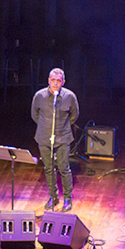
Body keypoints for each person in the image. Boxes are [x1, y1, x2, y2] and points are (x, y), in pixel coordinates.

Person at [31, 68, 79, 212]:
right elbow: (35, 115)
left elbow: (74, 116)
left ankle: (67, 198)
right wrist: (46, 126)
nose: (56, 83)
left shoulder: (69, 96)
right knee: (49, 168)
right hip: (44, 137)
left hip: (63, 137)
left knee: (64, 168)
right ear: (48, 81)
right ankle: (53, 196)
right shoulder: (39, 96)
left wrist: (61, 127)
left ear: (63, 82)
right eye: (53, 80)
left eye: (59, 81)